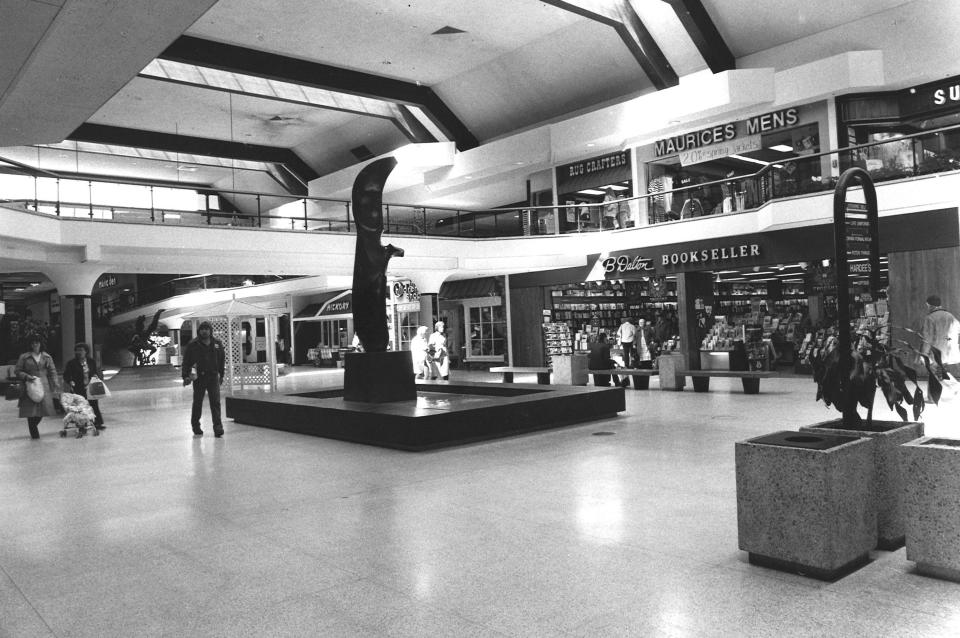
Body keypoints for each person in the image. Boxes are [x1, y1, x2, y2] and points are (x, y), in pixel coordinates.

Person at [181, 321, 226, 437]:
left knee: (215, 402)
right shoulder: (192, 344)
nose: (204, 331)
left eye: (207, 329)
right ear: (199, 331)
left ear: (210, 330)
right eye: (202, 329)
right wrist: (185, 376)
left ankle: (218, 427)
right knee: (198, 403)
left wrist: (222, 374)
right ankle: (196, 426)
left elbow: (221, 360)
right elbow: (186, 362)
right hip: (199, 378)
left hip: (213, 377)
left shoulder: (217, 344)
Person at [14, 334, 60, 439]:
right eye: (33, 342)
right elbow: (17, 371)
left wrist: (56, 384)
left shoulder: (47, 357)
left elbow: (52, 371)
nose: (35, 344)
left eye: (37, 342)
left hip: (44, 385)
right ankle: (35, 435)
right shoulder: (24, 357)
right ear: (30, 344)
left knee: (44, 410)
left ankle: (33, 428)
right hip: (29, 385)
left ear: (41, 344)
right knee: (31, 411)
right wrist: (26, 376)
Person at [63, 342, 105, 430]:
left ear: (86, 351)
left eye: (81, 350)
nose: (79, 352)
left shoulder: (91, 361)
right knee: (81, 407)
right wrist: (70, 381)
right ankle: (82, 424)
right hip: (78, 387)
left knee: (94, 405)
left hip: (90, 386)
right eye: (77, 350)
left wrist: (96, 377)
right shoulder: (71, 363)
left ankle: (97, 423)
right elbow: (66, 375)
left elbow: (95, 371)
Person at [920, 294, 960, 379]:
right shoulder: (950, 316)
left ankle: (935, 391)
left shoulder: (930, 318)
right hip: (948, 352)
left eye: (927, 305)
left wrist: (924, 354)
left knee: (933, 378)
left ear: (929, 305)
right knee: (944, 376)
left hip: (935, 352)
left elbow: (927, 338)